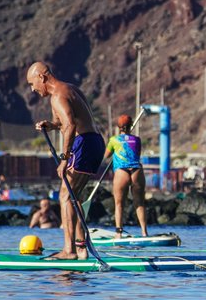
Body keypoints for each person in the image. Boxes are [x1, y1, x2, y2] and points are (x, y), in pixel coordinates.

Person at [25, 61, 105, 259]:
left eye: (32, 83)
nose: (32, 89)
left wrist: (64, 158)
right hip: (95, 142)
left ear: (42, 77)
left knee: (64, 196)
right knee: (73, 196)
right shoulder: (70, 89)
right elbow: (66, 121)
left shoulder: (58, 96)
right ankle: (81, 248)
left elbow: (69, 126)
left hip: (83, 143)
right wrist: (51, 125)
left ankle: (69, 250)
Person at [100, 113, 149, 236]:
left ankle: (119, 233)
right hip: (136, 171)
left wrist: (113, 151)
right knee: (140, 203)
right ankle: (144, 232)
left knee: (119, 204)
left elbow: (105, 156)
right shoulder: (137, 140)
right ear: (131, 125)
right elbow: (135, 153)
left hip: (122, 171)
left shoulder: (113, 140)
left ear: (118, 126)